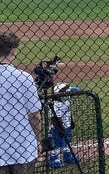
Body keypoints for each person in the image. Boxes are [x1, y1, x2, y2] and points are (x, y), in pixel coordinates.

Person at [0, 31, 42, 174]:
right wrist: (37, 139)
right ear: (13, 51)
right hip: (22, 148)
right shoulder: (24, 78)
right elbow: (35, 116)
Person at [49, 83, 81, 168]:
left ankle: (67, 156)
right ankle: (53, 159)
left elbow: (76, 90)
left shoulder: (65, 100)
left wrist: (71, 122)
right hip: (58, 129)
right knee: (58, 145)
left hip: (67, 127)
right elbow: (55, 119)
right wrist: (61, 130)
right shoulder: (56, 104)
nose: (69, 94)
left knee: (67, 142)